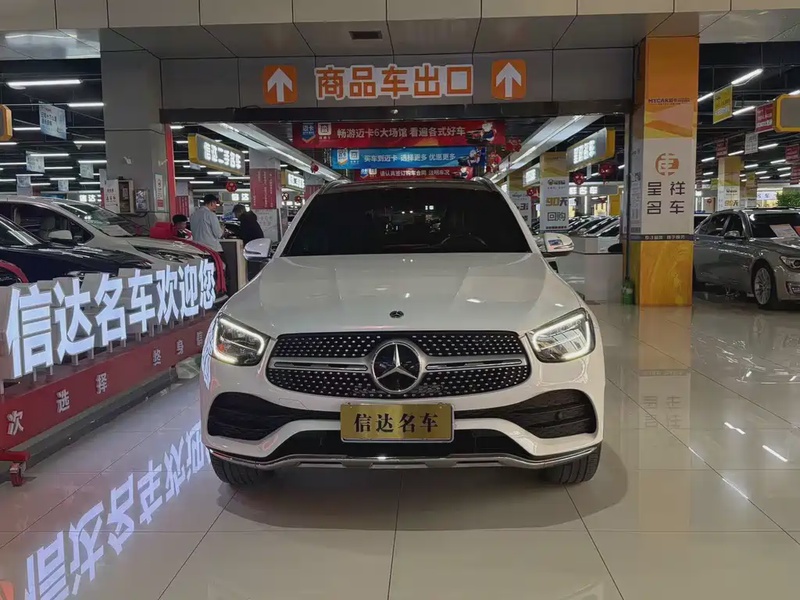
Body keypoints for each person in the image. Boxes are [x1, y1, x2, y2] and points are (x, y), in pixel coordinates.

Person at [233, 204, 266, 280]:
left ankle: (253, 282)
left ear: (240, 211)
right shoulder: (250, 218)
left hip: (252, 246)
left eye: (236, 214)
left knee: (253, 268)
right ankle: (256, 281)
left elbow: (244, 234)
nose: (236, 216)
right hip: (258, 245)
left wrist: (236, 233)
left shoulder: (245, 220)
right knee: (256, 267)